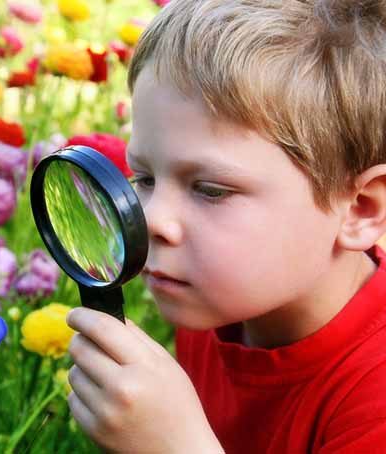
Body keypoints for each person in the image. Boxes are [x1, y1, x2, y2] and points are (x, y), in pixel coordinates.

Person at [65, 1, 386, 452]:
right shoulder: (209, 305)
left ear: (360, 210)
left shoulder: (375, 400)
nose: (152, 219)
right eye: (145, 178)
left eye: (211, 190)